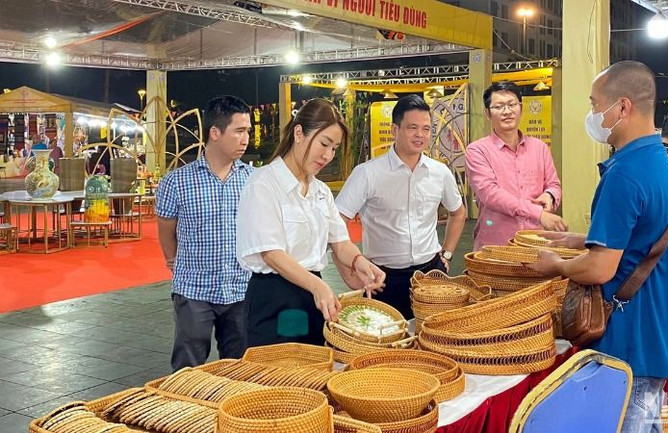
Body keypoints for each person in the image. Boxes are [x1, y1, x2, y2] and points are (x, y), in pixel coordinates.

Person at [528, 61, 668, 433]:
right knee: (647, 420)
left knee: (625, 421)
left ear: (622, 107)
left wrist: (557, 265)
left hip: (630, 334)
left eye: (594, 104)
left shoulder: (625, 173)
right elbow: (644, 233)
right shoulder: (666, 160)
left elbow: (601, 269)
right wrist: (583, 240)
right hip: (660, 324)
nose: (592, 114)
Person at [236, 98, 385, 347]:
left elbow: (341, 243)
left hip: (312, 296)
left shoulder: (320, 191)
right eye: (324, 144)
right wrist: (317, 286)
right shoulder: (264, 183)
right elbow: (271, 253)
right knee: (283, 373)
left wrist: (360, 262)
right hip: (278, 297)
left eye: (334, 148)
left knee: (312, 369)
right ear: (298, 133)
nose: (327, 155)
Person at [335, 94, 466, 320]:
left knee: (434, 339)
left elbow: (458, 212)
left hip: (432, 274)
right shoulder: (368, 173)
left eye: (426, 129)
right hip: (384, 279)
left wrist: (447, 254)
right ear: (395, 130)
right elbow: (335, 223)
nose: (420, 135)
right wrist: (349, 273)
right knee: (387, 345)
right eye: (412, 128)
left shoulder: (439, 172)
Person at [156, 95, 255, 371]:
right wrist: (174, 262)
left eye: (248, 131)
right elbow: (166, 232)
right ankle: (185, 411)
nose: (246, 138)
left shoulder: (253, 180)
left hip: (241, 288)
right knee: (188, 368)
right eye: (239, 131)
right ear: (215, 133)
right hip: (194, 290)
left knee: (240, 368)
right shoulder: (176, 182)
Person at [465, 81, 565, 251]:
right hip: (496, 246)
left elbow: (554, 185)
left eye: (512, 105)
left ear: (521, 109)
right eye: (499, 106)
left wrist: (549, 196)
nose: (507, 111)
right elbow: (490, 194)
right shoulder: (477, 150)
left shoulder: (539, 147)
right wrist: (538, 214)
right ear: (487, 114)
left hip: (536, 243)